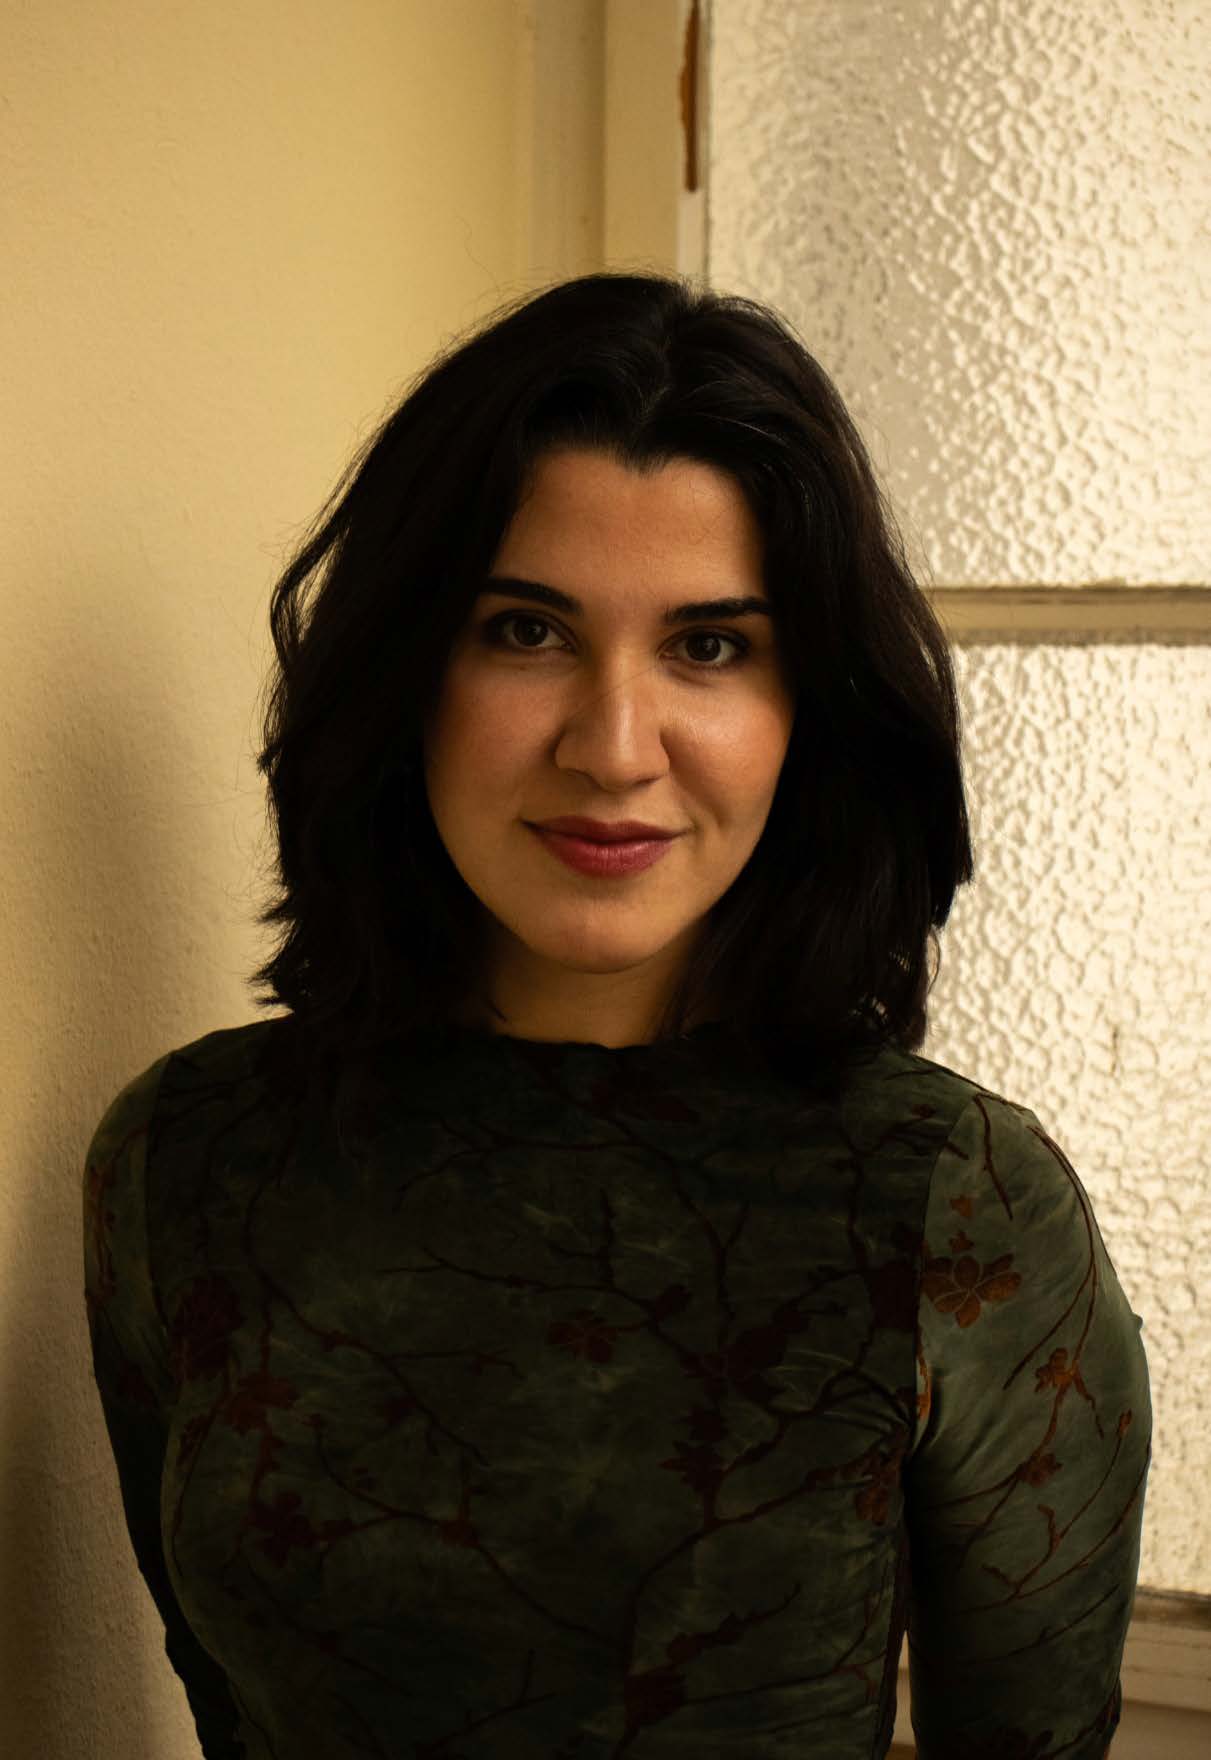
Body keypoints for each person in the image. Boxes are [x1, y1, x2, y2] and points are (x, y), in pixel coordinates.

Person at [82, 271, 1151, 1759]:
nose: (614, 747)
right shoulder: (187, 1156)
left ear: (809, 710)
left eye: (710, 646)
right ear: (406, 670)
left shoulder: (959, 1202)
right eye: (527, 631)